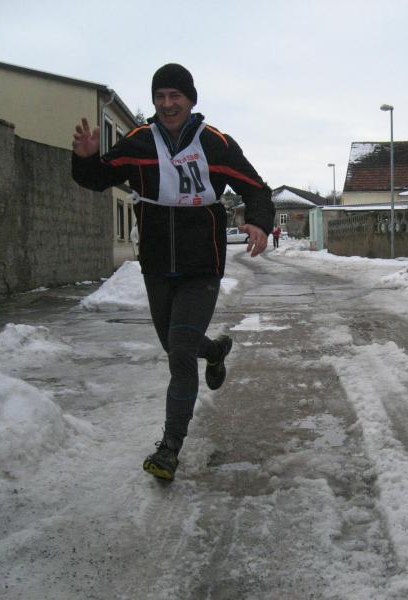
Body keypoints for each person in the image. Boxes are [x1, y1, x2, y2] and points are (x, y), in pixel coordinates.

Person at [71, 63, 274, 482]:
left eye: (175, 96)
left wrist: (258, 220)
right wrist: (86, 158)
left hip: (202, 264)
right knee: (174, 343)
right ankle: (214, 351)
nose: (167, 104)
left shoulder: (215, 143)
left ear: (190, 100)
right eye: (160, 96)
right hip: (158, 264)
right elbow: (99, 178)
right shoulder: (140, 141)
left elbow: (256, 187)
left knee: (180, 351)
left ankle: (169, 449)